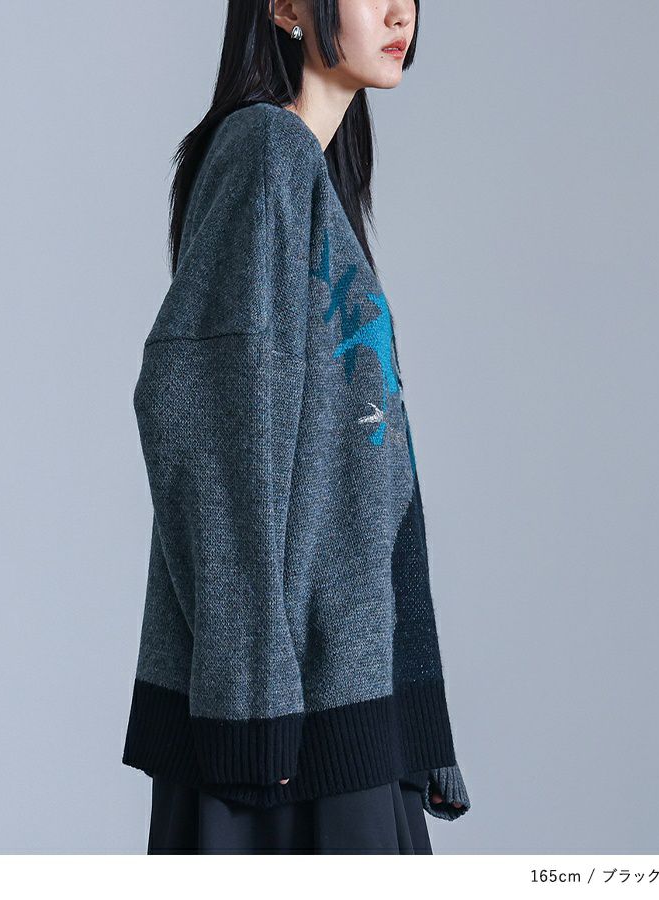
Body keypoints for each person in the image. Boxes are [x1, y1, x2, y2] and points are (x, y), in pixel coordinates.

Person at [122, 0, 471, 854]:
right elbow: (201, 418)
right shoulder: (265, 152)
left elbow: (370, 478)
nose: (399, 10)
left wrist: (417, 719)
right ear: (284, 6)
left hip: (336, 696)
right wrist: (253, 700)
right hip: (283, 727)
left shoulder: (309, 177)